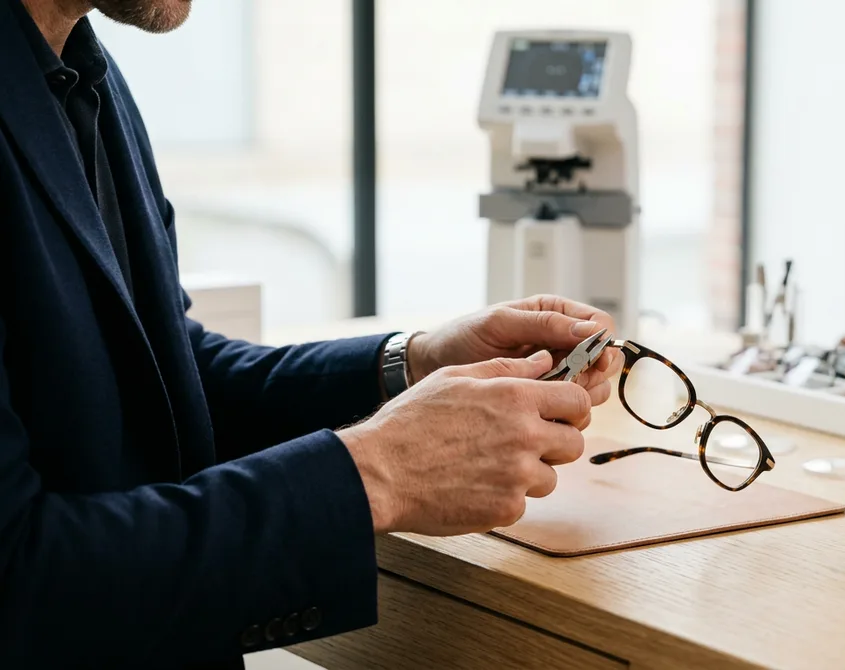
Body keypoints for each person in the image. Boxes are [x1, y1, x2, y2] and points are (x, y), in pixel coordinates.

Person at [0, 0, 623, 667]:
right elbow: (17, 580)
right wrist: (377, 474)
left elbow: (167, 377)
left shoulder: (77, 69)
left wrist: (410, 366)